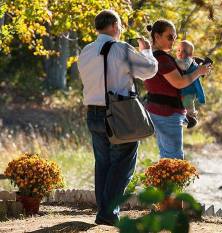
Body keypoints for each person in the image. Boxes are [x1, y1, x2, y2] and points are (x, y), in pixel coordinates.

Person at [77, 10, 158, 226]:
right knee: (122, 163)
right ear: (114, 25)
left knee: (103, 163)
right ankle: (107, 213)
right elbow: (149, 70)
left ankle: (104, 211)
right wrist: (148, 52)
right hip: (118, 112)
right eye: (120, 25)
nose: (121, 30)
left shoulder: (85, 51)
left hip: (93, 112)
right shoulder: (120, 49)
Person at [144, 19, 211, 159]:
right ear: (157, 36)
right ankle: (171, 181)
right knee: (174, 158)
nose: (173, 41)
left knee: (167, 157)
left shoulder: (150, 56)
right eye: (169, 37)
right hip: (167, 113)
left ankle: (165, 181)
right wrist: (198, 72)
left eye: (174, 37)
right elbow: (179, 83)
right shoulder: (162, 59)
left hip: (158, 110)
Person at [175, 40, 206, 129]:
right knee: (185, 103)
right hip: (184, 89)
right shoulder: (183, 61)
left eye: (184, 51)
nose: (180, 53)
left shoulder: (186, 62)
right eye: (178, 50)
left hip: (189, 90)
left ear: (190, 55)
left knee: (187, 102)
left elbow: (182, 66)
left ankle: (191, 117)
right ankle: (188, 117)